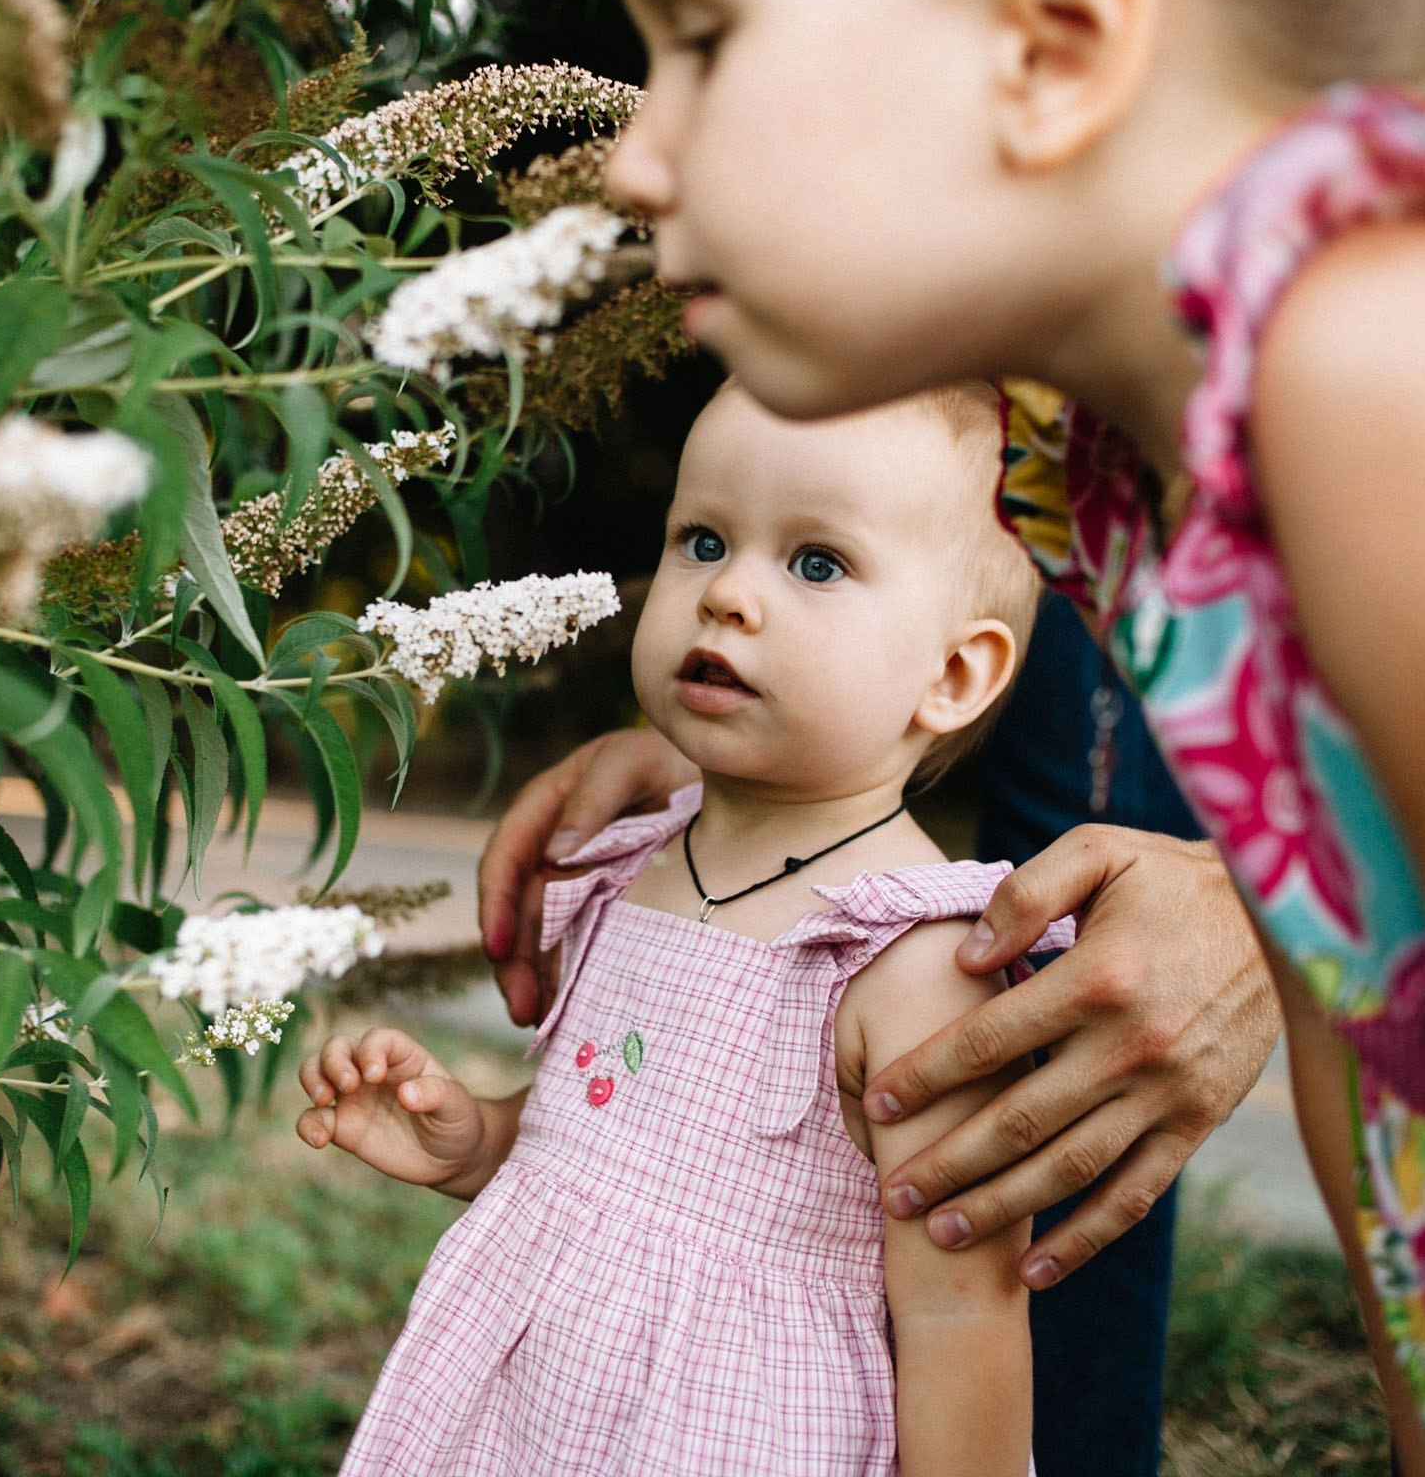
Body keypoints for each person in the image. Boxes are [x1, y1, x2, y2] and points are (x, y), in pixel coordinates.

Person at [572, 0, 1425, 1472]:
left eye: (705, 37)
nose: (637, 157)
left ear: (1059, 38)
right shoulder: (1129, 467)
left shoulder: (1395, 382)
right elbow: (1406, 1099)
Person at [300, 383, 1066, 1474]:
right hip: (538, 1423)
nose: (729, 595)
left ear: (952, 675)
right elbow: (600, 1144)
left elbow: (963, 1317)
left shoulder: (918, 962)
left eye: (815, 563)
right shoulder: (634, 862)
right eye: (703, 540)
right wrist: (476, 1137)